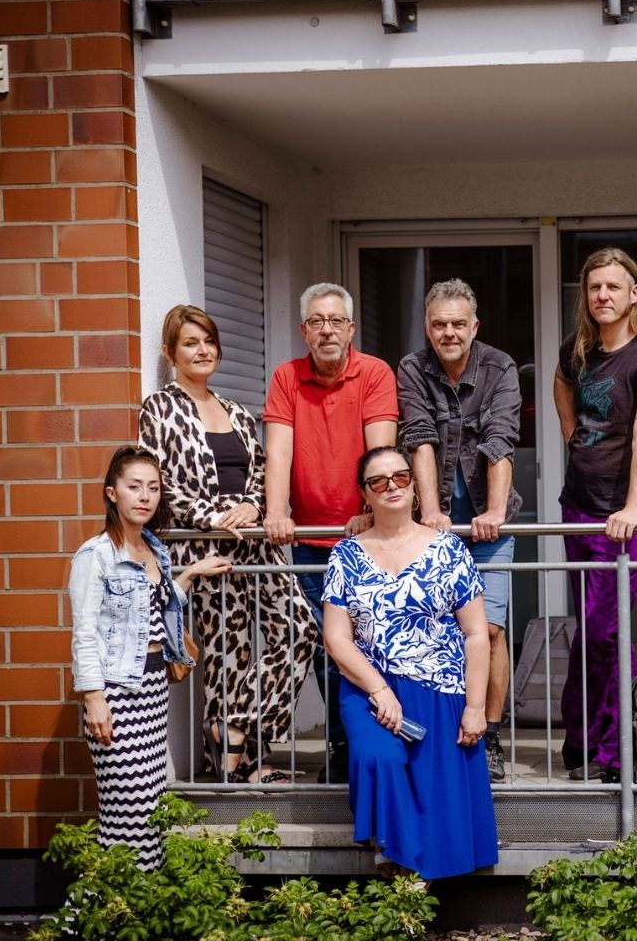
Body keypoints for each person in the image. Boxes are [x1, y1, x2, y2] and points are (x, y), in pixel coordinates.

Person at [139, 305, 318, 784]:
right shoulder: (159, 408)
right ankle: (244, 766)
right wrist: (214, 516)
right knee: (226, 651)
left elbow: (261, 471)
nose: (203, 351)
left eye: (208, 342)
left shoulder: (236, 411)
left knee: (300, 630)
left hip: (254, 543)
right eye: (190, 343)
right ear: (170, 353)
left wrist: (254, 507)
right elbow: (159, 481)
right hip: (205, 548)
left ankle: (233, 726)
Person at [321, 446, 498, 879]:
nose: (392, 487)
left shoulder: (449, 550)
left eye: (400, 477)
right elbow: (336, 638)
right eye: (378, 481)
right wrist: (379, 689)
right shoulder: (345, 555)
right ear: (365, 494)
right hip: (368, 688)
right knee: (376, 758)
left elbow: (477, 634)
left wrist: (476, 707)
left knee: (433, 787)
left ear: (415, 486)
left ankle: (409, 878)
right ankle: (396, 855)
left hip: (439, 686)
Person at [70, 446, 231, 869]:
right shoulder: (96, 555)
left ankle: (137, 902)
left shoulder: (154, 550)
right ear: (112, 493)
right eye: (134, 486)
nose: (144, 496)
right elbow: (84, 632)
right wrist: (94, 698)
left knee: (151, 810)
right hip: (116, 694)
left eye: (153, 488)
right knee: (128, 814)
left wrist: (190, 574)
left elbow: (154, 609)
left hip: (153, 690)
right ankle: (102, 904)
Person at [553, 247, 637, 782]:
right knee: (590, 628)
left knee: (609, 631)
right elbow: (562, 382)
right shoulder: (578, 348)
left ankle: (616, 749)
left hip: (623, 517)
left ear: (634, 293)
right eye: (594, 287)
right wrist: (571, 435)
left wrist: (633, 506)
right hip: (577, 507)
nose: (602, 295)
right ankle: (580, 740)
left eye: (612, 287)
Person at [264, 283, 398, 782]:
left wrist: (368, 508)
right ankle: (344, 746)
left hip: (363, 539)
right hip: (308, 541)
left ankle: (373, 740)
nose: (327, 330)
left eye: (336, 321)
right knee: (326, 648)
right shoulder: (287, 377)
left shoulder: (375, 373)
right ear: (304, 330)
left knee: (371, 642)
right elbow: (279, 451)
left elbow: (380, 453)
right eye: (317, 322)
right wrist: (276, 511)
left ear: (350, 328)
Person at [398, 278, 523, 781]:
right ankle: (441, 730)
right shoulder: (412, 368)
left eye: (457, 324)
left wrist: (494, 510)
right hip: (434, 526)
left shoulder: (500, 367)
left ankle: (489, 734)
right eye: (439, 324)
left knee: (488, 631)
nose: (448, 332)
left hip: (487, 526)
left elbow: (501, 438)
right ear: (427, 328)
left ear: (474, 326)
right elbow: (420, 437)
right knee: (432, 630)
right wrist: (429, 511)